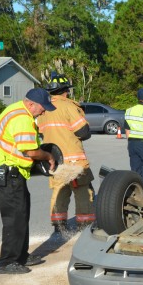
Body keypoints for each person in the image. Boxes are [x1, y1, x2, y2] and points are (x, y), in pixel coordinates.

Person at [0, 88, 56, 274]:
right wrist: (48, 155)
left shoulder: (16, 109)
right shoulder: (22, 119)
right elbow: (30, 151)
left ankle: (21, 255)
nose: (44, 111)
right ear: (30, 103)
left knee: (21, 213)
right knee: (14, 217)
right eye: (42, 107)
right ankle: (6, 262)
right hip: (7, 171)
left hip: (9, 169)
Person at [36, 73, 95, 233]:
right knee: (82, 191)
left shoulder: (43, 110)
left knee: (60, 190)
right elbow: (83, 132)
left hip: (55, 160)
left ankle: (58, 224)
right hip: (74, 160)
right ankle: (84, 224)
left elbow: (41, 134)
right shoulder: (69, 106)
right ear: (65, 91)